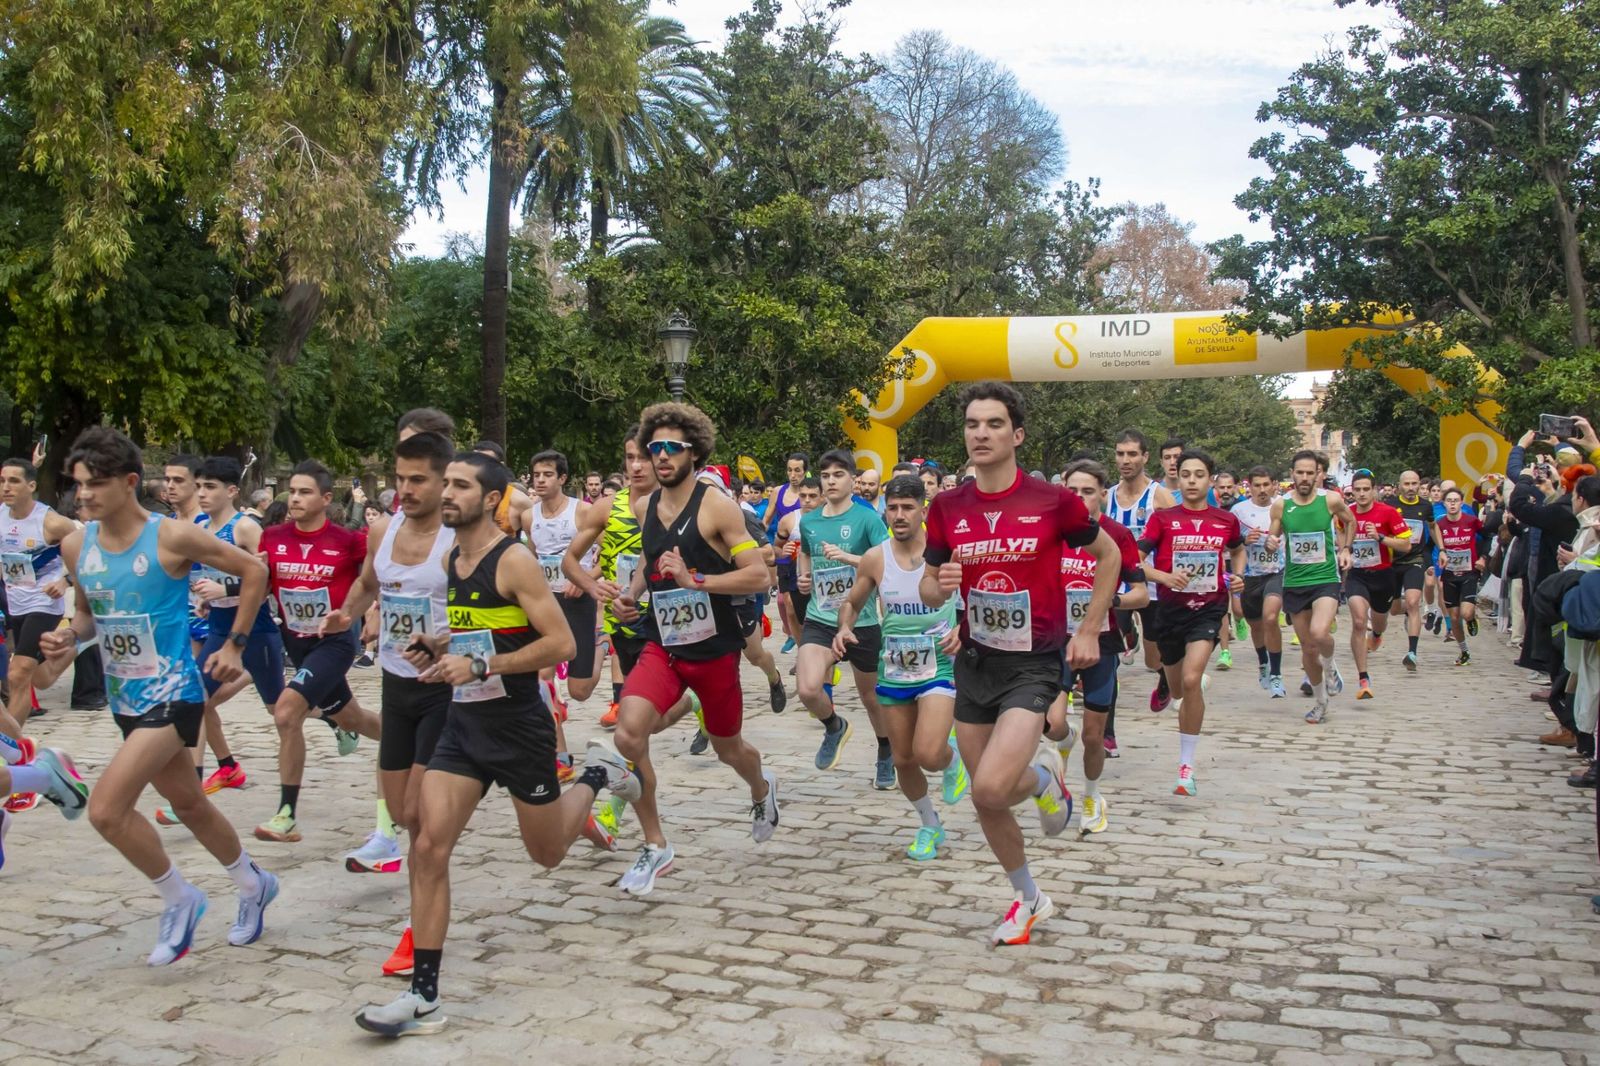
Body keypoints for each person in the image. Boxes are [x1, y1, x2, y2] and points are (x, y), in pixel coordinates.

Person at [353, 452, 641, 1037]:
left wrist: (483, 662)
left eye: (459, 485)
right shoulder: (454, 560)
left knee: (548, 853)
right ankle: (424, 995)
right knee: (428, 846)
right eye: (446, 482)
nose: (446, 492)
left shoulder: (513, 561)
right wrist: (440, 645)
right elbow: (473, 629)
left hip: (517, 729)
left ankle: (597, 775)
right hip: (463, 729)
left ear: (490, 500)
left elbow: (560, 644)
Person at [40, 427, 279, 965]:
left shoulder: (171, 537)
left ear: (129, 483)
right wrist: (66, 637)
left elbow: (254, 570)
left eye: (96, 485)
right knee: (189, 803)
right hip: (127, 699)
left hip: (175, 693)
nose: (85, 496)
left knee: (105, 809)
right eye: (78, 486)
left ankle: (180, 897)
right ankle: (253, 882)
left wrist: (237, 644)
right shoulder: (78, 545)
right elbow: (86, 616)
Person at [920, 382, 1121, 945]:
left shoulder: (1051, 500)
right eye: (972, 425)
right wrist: (941, 584)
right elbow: (928, 585)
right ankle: (1029, 897)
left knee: (986, 788)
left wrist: (1088, 628)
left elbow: (1106, 555)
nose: (980, 434)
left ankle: (1039, 780)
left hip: (1034, 662)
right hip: (975, 660)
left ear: (1017, 434)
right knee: (991, 796)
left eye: (993, 424)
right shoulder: (948, 505)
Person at [603, 403, 780, 896]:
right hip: (664, 645)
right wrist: (631, 595)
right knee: (628, 733)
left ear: (694, 451)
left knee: (730, 749)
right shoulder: (643, 506)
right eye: (652, 447)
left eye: (670, 448)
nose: (658, 457)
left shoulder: (716, 506)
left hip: (715, 651)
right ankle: (655, 844)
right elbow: (648, 558)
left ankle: (762, 789)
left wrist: (694, 579)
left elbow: (758, 574)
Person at [320, 430, 456, 955]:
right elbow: (368, 584)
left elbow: (491, 609)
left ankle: (420, 928)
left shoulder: (460, 536)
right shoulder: (385, 529)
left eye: (418, 479)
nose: (406, 489)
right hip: (396, 682)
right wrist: (346, 615)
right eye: (400, 479)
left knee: (423, 821)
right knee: (401, 813)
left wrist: (447, 644)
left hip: (445, 688)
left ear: (445, 479)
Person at [833, 474, 967, 860]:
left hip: (939, 662)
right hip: (894, 667)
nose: (899, 515)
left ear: (923, 510)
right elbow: (854, 601)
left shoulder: (946, 552)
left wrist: (963, 629)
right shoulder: (876, 557)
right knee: (904, 758)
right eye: (892, 508)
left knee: (928, 752)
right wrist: (844, 626)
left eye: (908, 507)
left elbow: (977, 595)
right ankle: (929, 824)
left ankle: (952, 759)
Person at [256, 460, 383, 842]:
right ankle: (411, 741)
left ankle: (286, 815)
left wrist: (372, 613)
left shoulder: (348, 541)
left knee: (286, 711)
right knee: (355, 719)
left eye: (305, 491)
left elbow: (374, 579)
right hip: (298, 643)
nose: (295, 498)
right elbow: (261, 585)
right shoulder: (273, 536)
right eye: (292, 491)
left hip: (335, 642)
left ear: (326, 499)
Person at [153, 457, 282, 825]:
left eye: (210, 487)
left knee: (282, 709)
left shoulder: (246, 528)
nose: (202, 493)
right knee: (197, 698)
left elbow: (267, 579)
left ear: (231, 491)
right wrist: (209, 600)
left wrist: (225, 587)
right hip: (220, 627)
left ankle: (335, 716)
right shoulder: (199, 528)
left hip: (256, 629)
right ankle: (195, 790)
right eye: (201, 486)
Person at [1044, 460, 1147, 833]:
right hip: (1058, 643)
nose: (1079, 498)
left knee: (1093, 736)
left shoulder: (1117, 535)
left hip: (1102, 644)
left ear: (1103, 494)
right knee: (1053, 725)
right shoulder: (1052, 532)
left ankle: (1091, 794)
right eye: (1072, 491)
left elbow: (1141, 594)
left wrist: (1108, 602)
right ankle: (1064, 740)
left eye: (1087, 491)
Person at [1139, 450, 1245, 794]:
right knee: (1177, 680)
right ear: (1177, 478)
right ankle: (1171, 688)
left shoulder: (1224, 520)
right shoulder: (1163, 518)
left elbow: (1238, 549)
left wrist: (1237, 576)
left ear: (1210, 480)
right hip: (1170, 612)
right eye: (1186, 475)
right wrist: (1163, 577)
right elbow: (1134, 560)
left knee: (1192, 676)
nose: (1192, 481)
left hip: (1209, 609)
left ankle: (1186, 767)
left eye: (1199, 475)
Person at [795, 449, 893, 785]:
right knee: (808, 689)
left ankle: (885, 751)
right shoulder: (809, 520)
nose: (831, 481)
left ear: (853, 479)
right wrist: (803, 576)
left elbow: (885, 561)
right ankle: (834, 727)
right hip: (821, 617)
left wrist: (849, 558)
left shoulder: (867, 519)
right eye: (826, 475)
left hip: (862, 622)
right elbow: (806, 553)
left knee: (871, 697)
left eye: (838, 475)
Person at [523, 449, 605, 771]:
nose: (540, 480)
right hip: (546, 603)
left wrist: (583, 579)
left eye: (547, 475)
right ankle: (559, 755)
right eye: (536, 475)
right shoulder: (530, 516)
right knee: (542, 679)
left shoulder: (583, 512)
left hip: (578, 601)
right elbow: (531, 558)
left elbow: (604, 556)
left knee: (580, 690)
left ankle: (601, 644)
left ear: (562, 478)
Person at [1269, 450, 1355, 723]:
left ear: (1319, 474)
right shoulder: (1281, 505)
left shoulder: (1330, 500)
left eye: (1310, 473)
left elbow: (1350, 521)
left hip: (1325, 579)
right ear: (1292, 474)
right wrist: (1270, 542)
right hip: (1295, 582)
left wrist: (1346, 549)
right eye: (1300, 472)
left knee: (1320, 633)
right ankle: (1321, 702)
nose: (1305, 478)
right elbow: (1274, 535)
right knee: (1307, 650)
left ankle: (1330, 666)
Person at [1, 457, 77, 741]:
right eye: (2, 480)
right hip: (15, 603)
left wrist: (65, 580)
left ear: (31, 486)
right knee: (40, 679)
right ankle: (75, 644)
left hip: (44, 604)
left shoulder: (53, 522)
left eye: (14, 481)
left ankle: (12, 749)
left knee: (17, 675)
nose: (6, 487)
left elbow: (88, 552)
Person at [1109, 429, 1176, 721]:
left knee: (1152, 657)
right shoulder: (1107, 496)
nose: (1126, 460)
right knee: (1109, 644)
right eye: (1121, 454)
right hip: (1116, 584)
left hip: (1152, 588)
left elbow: (1176, 539)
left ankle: (1164, 675)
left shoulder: (1159, 497)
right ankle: (1105, 714)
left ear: (1145, 457)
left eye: (1132, 454)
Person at [1344, 470, 1413, 697]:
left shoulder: (1388, 513)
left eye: (1366, 489)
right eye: (1357, 490)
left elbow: (1406, 545)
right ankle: (1364, 678)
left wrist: (1381, 538)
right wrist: (1344, 546)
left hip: (1383, 576)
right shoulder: (1346, 514)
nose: (1362, 494)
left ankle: (1377, 636)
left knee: (1380, 620)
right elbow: (1338, 537)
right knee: (1359, 621)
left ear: (1374, 490)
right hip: (1357, 575)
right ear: (1352, 491)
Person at [1232, 467, 1287, 697]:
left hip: (1278, 571)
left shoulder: (1283, 506)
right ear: (1250, 486)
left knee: (1271, 616)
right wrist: (1245, 539)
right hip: (1251, 575)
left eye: (1267, 484)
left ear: (1274, 484)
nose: (1262, 490)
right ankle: (1263, 661)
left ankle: (1276, 674)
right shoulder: (1238, 511)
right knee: (1256, 624)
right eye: (1257, 485)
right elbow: (1231, 544)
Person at [1387, 470, 1437, 672]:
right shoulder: (1390, 504)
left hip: (1414, 559)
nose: (1410, 488)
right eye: (1406, 484)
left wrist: (1441, 549)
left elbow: (1433, 527)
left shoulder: (1425, 506)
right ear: (1399, 485)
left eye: (1414, 483)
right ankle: (1407, 611)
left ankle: (1412, 652)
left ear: (1419, 485)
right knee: (1394, 609)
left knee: (1414, 601)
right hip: (1392, 561)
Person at [1435, 487, 1486, 665]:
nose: (1453, 504)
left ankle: (1471, 618)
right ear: (1444, 504)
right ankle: (1464, 651)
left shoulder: (1471, 521)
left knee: (1465, 612)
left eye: (1456, 500)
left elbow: (1486, 537)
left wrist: (1483, 557)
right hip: (1449, 575)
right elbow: (1429, 544)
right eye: (1449, 501)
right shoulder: (1439, 525)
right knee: (1454, 617)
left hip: (1469, 573)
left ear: (1461, 503)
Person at [766, 452, 809, 651]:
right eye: (790, 470)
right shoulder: (778, 491)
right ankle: (792, 634)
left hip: (807, 556)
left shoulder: (811, 494)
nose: (793, 475)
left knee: (802, 605)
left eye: (797, 470)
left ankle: (806, 648)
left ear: (805, 472)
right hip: (784, 550)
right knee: (785, 602)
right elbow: (766, 520)